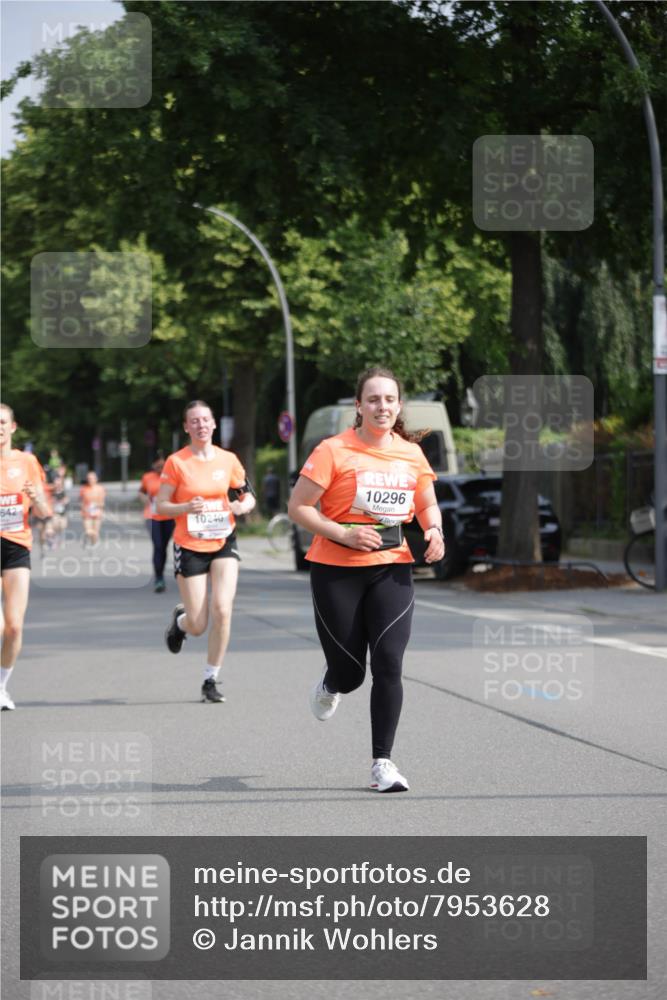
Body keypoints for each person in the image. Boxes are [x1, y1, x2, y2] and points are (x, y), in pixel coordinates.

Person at [288, 367, 445, 792]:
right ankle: (331, 681)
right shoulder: (333, 450)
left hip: (392, 567)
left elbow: (426, 501)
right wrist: (345, 533)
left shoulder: (411, 454)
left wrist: (434, 530)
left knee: (390, 663)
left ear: (398, 406)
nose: (382, 407)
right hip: (336, 570)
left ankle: (383, 764)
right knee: (352, 673)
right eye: (373, 400)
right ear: (359, 406)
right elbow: (298, 507)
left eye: (390, 400)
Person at [156, 400, 256, 703]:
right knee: (198, 625)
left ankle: (210, 678)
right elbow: (160, 505)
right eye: (194, 421)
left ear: (214, 424)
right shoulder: (177, 462)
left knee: (223, 610)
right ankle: (181, 622)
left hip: (224, 540)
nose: (200, 425)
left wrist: (241, 506)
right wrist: (185, 506)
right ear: (186, 427)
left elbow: (248, 495)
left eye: (205, 419)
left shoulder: (228, 460)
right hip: (189, 545)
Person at [0, 404, 50, 710]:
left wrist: (38, 498)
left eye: (2, 422)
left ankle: (1, 686)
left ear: (13, 426)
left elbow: (44, 512)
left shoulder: (27, 461)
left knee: (15, 627)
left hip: (17, 545)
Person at [138, 453, 175, 593]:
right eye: (157, 465)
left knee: (163, 547)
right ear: (153, 465)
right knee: (158, 545)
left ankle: (160, 573)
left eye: (162, 465)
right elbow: (141, 492)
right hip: (152, 516)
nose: (160, 468)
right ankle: (159, 578)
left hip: (169, 516)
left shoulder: (172, 477)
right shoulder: (147, 477)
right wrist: (144, 499)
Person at [79, 470, 105, 547]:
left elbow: (102, 502)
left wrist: (98, 506)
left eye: (92, 478)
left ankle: (94, 542)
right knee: (88, 531)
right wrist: (83, 508)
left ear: (96, 479)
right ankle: (88, 540)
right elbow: (81, 501)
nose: (90, 480)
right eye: (89, 478)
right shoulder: (84, 489)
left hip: (97, 512)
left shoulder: (100, 488)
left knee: (95, 532)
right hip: (86, 512)